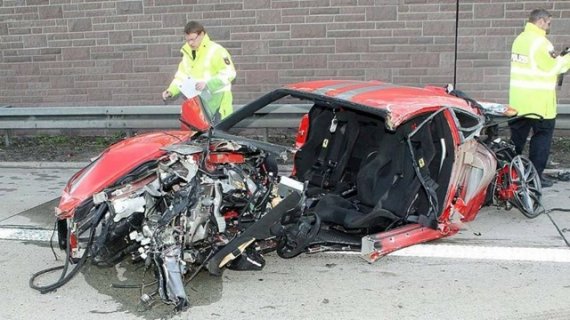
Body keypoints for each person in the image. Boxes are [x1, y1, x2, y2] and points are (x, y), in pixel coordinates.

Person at [509, 8, 570, 188]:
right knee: (541, 140)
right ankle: (535, 177)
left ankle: (510, 173)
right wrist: (566, 59)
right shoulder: (542, 43)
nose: (549, 27)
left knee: (516, 142)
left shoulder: (519, 40)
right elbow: (553, 68)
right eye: (549, 23)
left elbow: (536, 67)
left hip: (519, 103)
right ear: (541, 21)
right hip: (540, 105)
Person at [162, 21, 236, 122]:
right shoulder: (187, 54)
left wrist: (208, 84)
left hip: (218, 105)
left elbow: (230, 73)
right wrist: (171, 91)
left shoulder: (216, 50)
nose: (190, 43)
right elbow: (181, 77)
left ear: (202, 34)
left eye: (193, 39)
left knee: (217, 137)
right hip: (198, 107)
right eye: (187, 40)